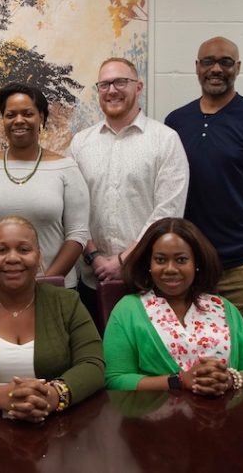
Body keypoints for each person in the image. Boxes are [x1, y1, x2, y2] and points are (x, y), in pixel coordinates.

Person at [164, 36, 243, 362]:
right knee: (193, 367)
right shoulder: (175, 123)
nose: (216, 69)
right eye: (208, 62)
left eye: (225, 62)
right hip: (190, 273)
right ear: (197, 68)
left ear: (238, 68)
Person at [0, 216, 105, 422]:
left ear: (39, 257)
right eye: (1, 250)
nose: (12, 258)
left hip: (56, 426)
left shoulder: (67, 302)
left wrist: (52, 396)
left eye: (24, 250)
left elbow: (94, 364)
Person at [68, 57, 189, 321]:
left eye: (121, 82)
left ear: (139, 87)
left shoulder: (165, 140)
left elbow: (168, 212)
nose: (112, 90)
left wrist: (124, 260)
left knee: (146, 361)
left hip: (148, 281)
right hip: (92, 280)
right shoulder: (80, 144)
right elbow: (72, 210)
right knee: (97, 358)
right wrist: (95, 258)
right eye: (104, 84)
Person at [103, 218, 243, 393]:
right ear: (148, 264)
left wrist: (228, 380)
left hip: (222, 416)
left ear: (196, 263)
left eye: (181, 260)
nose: (170, 269)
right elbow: (116, 380)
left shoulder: (224, 308)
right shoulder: (128, 310)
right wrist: (179, 381)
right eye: (160, 260)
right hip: (154, 417)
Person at [0, 82, 90, 288]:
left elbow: (77, 234)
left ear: (41, 117)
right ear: (2, 119)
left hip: (54, 289)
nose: (19, 120)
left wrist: (45, 283)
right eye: (10, 114)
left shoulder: (66, 168)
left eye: (28, 113)